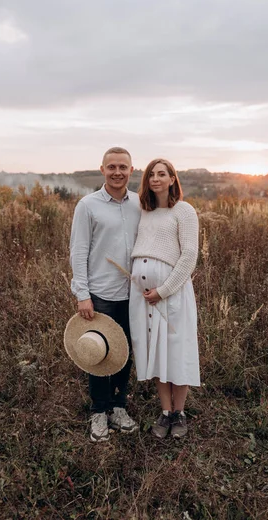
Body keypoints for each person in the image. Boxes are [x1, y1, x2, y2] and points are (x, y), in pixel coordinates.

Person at [70, 147, 141, 442]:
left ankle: (119, 407)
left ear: (131, 170)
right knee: (98, 354)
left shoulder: (139, 204)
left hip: (134, 294)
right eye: (111, 166)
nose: (117, 172)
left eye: (122, 167)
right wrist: (82, 293)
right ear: (102, 170)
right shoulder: (88, 205)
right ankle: (99, 411)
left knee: (125, 353)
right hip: (100, 294)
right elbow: (79, 251)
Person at [130, 158, 200, 439]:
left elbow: (189, 255)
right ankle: (165, 411)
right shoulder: (143, 211)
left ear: (173, 179)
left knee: (176, 348)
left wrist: (164, 290)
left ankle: (180, 413)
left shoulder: (184, 211)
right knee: (155, 350)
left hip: (172, 294)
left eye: (162, 174)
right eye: (151, 175)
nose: (156, 179)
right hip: (143, 297)